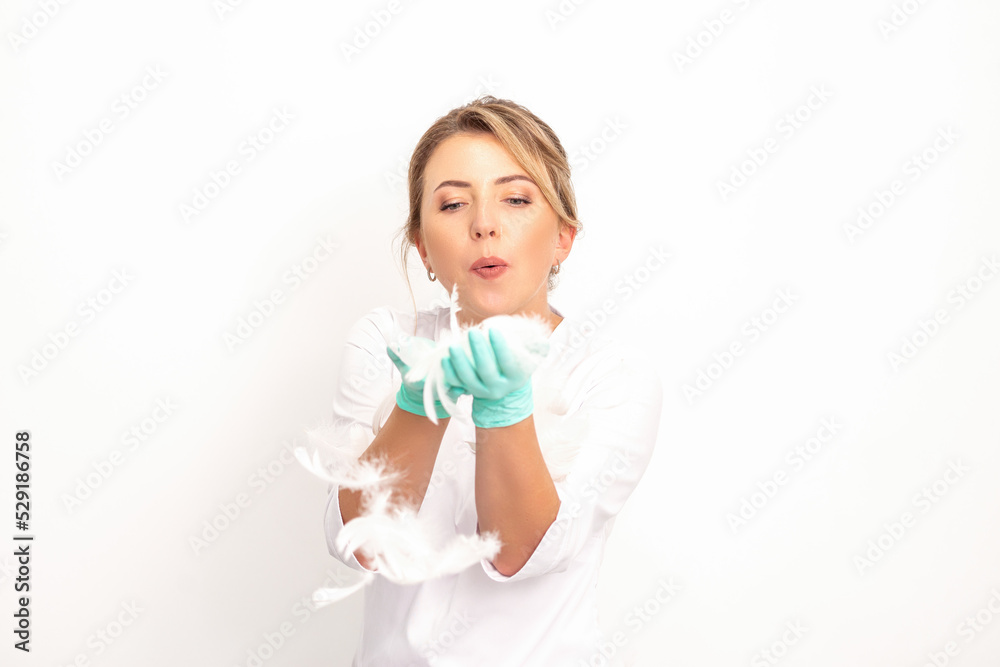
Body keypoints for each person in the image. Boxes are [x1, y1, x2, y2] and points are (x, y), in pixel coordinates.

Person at [324, 96, 663, 666]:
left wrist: (504, 405)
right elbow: (360, 544)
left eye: (516, 198)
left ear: (563, 236)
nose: (485, 224)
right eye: (454, 203)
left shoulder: (610, 376)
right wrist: (419, 402)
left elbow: (520, 554)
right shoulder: (383, 342)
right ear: (423, 247)